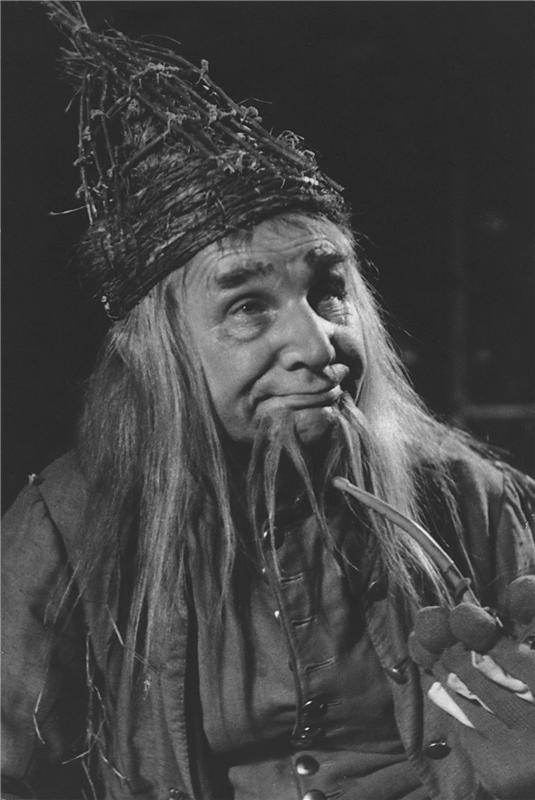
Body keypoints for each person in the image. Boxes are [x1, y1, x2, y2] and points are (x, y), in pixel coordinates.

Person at [2, 4, 534, 800]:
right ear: (160, 352)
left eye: (327, 291)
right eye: (247, 305)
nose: (319, 346)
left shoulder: (465, 497)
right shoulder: (69, 526)